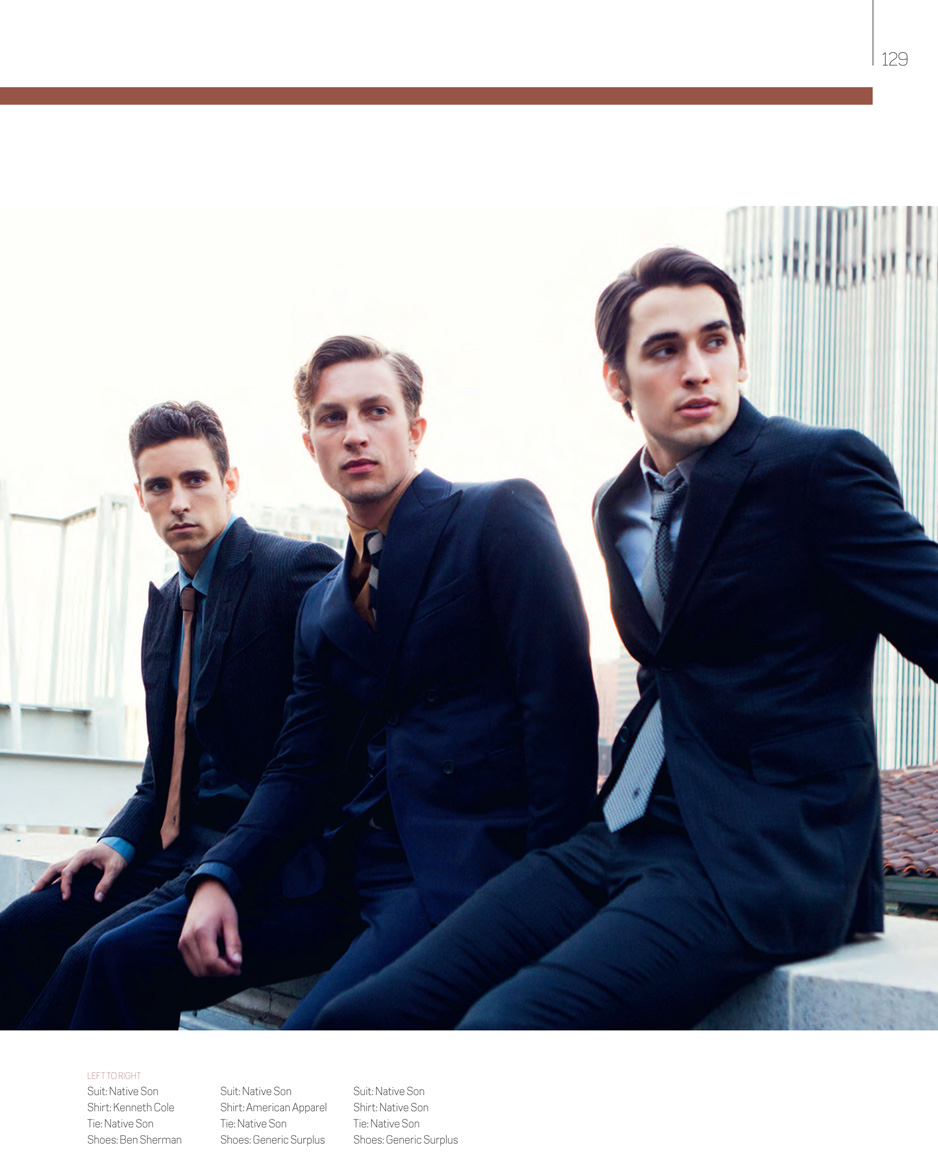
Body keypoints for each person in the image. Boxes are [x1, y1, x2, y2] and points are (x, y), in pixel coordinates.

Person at [313, 247, 938, 1030]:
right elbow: (668, 674)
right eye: (665, 349)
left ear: (743, 356)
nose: (698, 370)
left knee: (502, 1030)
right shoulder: (617, 505)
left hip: (761, 858)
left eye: (715, 341)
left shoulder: (816, 470)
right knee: (362, 1018)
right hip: (623, 834)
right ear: (617, 379)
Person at [71, 335, 598, 1029]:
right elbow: (299, 765)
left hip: (458, 871)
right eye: (332, 418)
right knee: (118, 958)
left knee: (318, 1041)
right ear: (310, 444)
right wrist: (221, 875)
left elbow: (559, 709)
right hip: (339, 869)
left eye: (375, 411)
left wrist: (546, 892)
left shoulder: (495, 516)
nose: (354, 433)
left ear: (415, 429)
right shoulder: (323, 602)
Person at [0, 401, 339, 1029]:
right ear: (141, 497)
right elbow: (163, 768)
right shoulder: (165, 607)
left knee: (95, 957)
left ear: (230, 481)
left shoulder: (294, 571)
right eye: (159, 486)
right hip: (174, 845)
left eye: (195, 479)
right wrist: (116, 841)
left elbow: (326, 744)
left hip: (267, 850)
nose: (179, 501)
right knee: (23, 924)